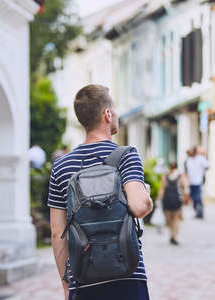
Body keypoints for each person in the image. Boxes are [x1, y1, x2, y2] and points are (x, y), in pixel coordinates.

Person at [48, 84, 153, 300]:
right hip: (127, 273)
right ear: (107, 114)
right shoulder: (126, 155)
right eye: (114, 109)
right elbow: (140, 207)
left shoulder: (61, 166)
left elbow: (58, 234)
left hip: (83, 276)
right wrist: (146, 194)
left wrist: (66, 285)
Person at [157, 162, 190, 245]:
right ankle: (174, 236)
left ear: (169, 167)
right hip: (177, 201)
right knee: (176, 219)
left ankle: (172, 234)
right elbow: (186, 187)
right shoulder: (181, 176)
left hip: (167, 200)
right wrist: (186, 198)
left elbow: (162, 188)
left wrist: (159, 199)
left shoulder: (165, 176)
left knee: (169, 220)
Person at [185, 146, 208, 219]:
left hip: (198, 181)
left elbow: (207, 166)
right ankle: (197, 211)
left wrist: (203, 172)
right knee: (193, 197)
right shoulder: (188, 160)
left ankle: (200, 212)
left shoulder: (201, 159)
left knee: (198, 197)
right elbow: (187, 171)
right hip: (190, 182)